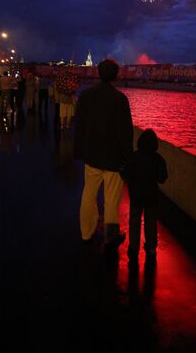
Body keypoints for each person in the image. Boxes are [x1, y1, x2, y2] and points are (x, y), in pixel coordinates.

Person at [74, 59, 133, 249]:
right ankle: (110, 237)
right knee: (112, 200)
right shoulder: (120, 99)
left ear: (98, 73)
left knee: (88, 194)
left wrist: (80, 150)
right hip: (113, 158)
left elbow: (80, 126)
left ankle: (86, 232)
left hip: (91, 155)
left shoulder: (85, 95)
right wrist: (127, 158)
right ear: (115, 75)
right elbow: (125, 132)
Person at [121, 128, 167, 265]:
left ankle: (134, 249)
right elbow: (163, 178)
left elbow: (126, 174)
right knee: (151, 222)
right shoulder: (158, 159)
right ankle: (151, 248)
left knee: (134, 222)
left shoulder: (134, 157)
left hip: (136, 196)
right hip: (152, 197)